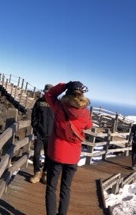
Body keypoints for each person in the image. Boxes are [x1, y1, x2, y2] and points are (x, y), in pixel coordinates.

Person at [44, 81, 92, 215]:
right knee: (66, 188)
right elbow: (88, 126)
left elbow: (49, 94)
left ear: (68, 92)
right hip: (73, 157)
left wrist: (63, 85)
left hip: (57, 153)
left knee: (51, 187)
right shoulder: (84, 112)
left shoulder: (59, 106)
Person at [29, 84, 55, 183]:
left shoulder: (55, 103)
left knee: (49, 155)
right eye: (46, 91)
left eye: (49, 92)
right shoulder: (39, 102)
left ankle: (45, 172)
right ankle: (36, 172)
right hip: (39, 134)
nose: (47, 93)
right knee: (36, 153)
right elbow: (34, 116)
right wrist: (35, 129)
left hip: (51, 135)